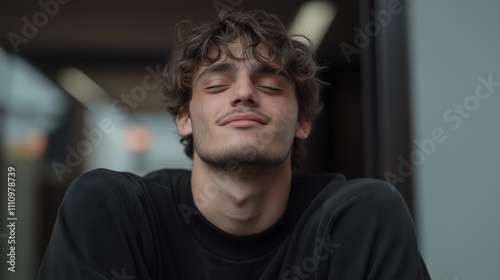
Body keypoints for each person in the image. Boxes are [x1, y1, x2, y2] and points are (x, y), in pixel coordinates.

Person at [39, 9, 431, 280]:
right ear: (185, 119)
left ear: (303, 122)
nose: (243, 93)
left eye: (270, 85)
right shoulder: (111, 210)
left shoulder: (360, 220)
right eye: (217, 85)